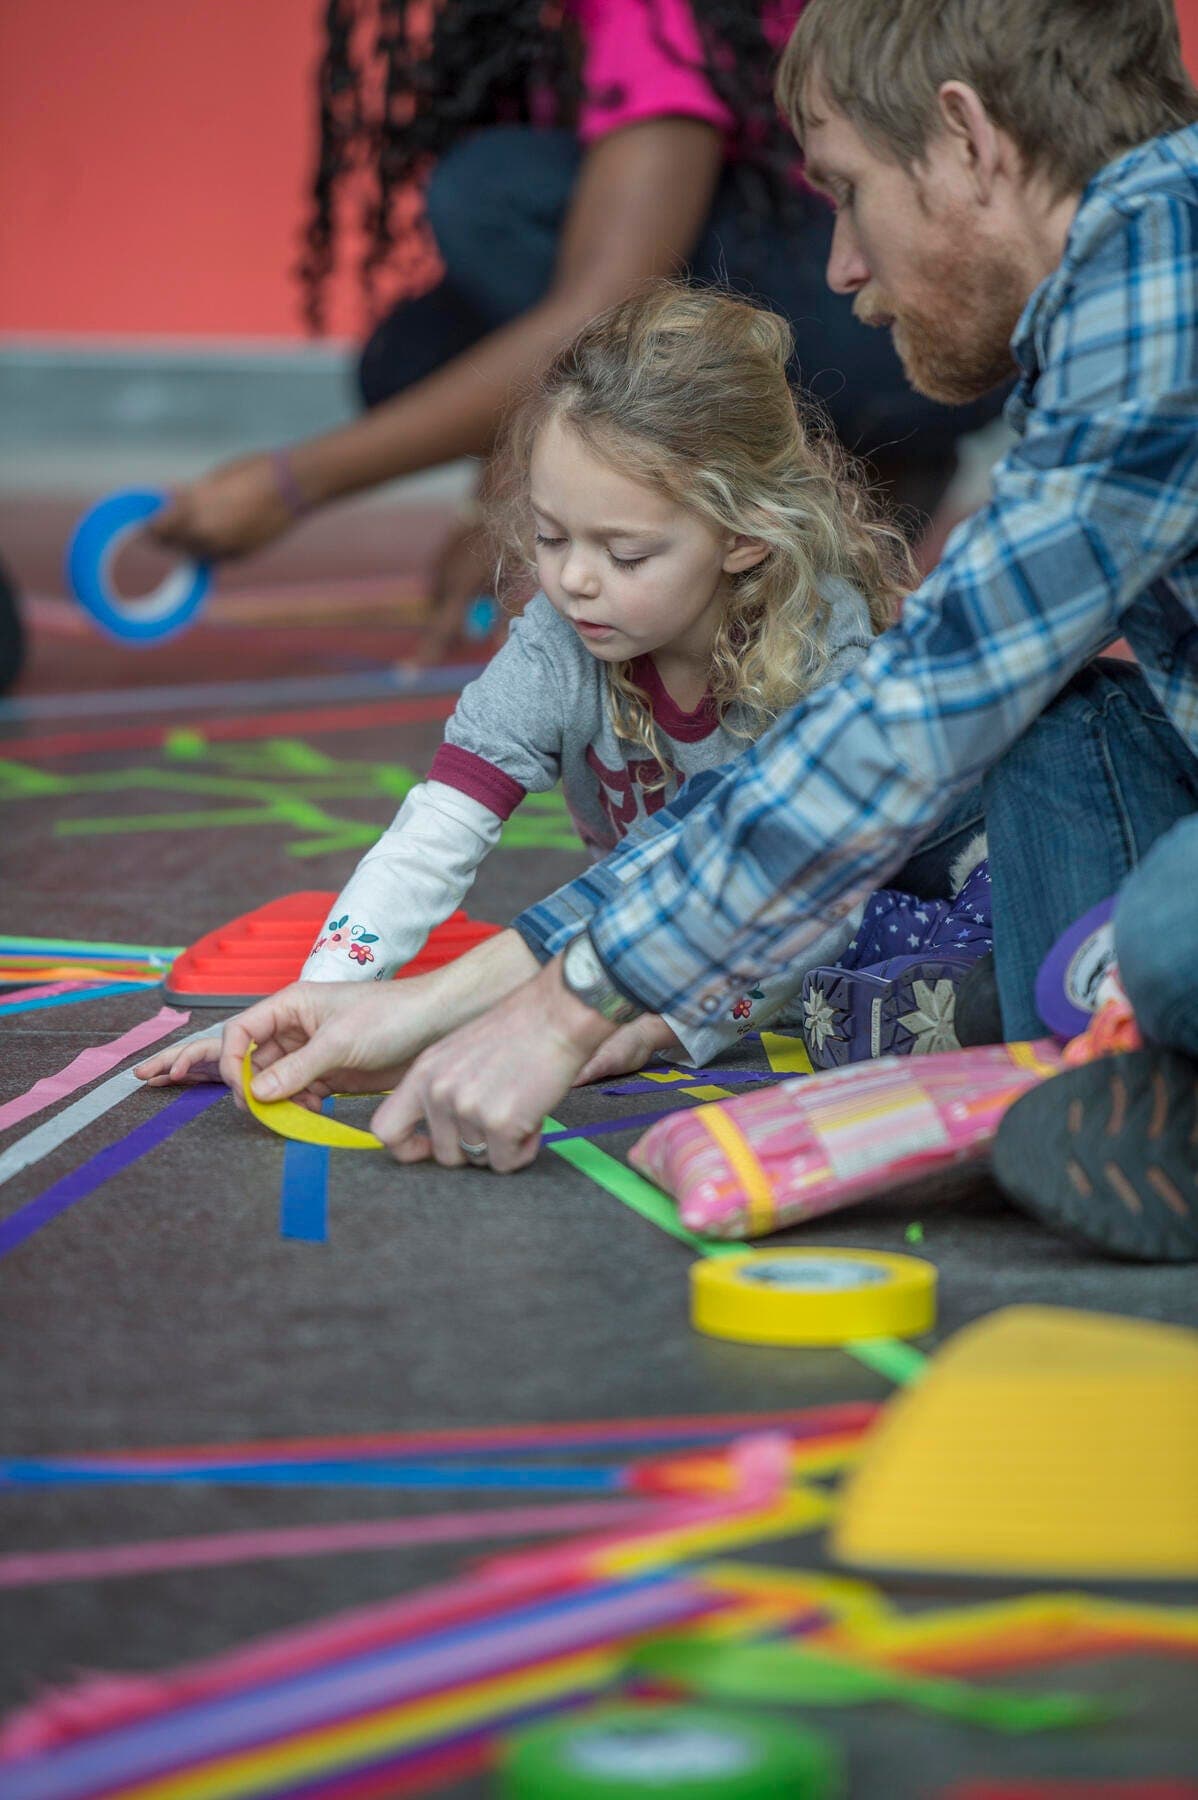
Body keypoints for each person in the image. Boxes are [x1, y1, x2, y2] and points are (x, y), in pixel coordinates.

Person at [199, 0, 1198, 1267]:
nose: (839, 266)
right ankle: (1105, 1046)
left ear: (965, 140)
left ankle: (1128, 1026)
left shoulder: (1163, 283)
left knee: (1168, 927)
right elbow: (948, 700)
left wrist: (564, 1009)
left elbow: (914, 712)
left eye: (844, 191)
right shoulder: (1131, 277)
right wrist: (423, 1001)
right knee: (1064, 724)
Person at [139, 282, 944, 1089]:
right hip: (633, 943)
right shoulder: (562, 639)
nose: (574, 581)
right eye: (552, 537)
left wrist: (663, 1027)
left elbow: (824, 889)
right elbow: (436, 834)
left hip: (826, 939)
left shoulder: (818, 648)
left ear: (743, 536)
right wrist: (322, 1002)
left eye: (625, 555)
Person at [144, 0, 1002, 656]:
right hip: (869, 313)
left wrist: (290, 486)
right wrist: (506, 498)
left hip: (893, 323)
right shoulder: (547, 30)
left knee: (492, 195)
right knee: (413, 358)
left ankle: (858, 442)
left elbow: (603, 302)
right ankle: (859, 453)